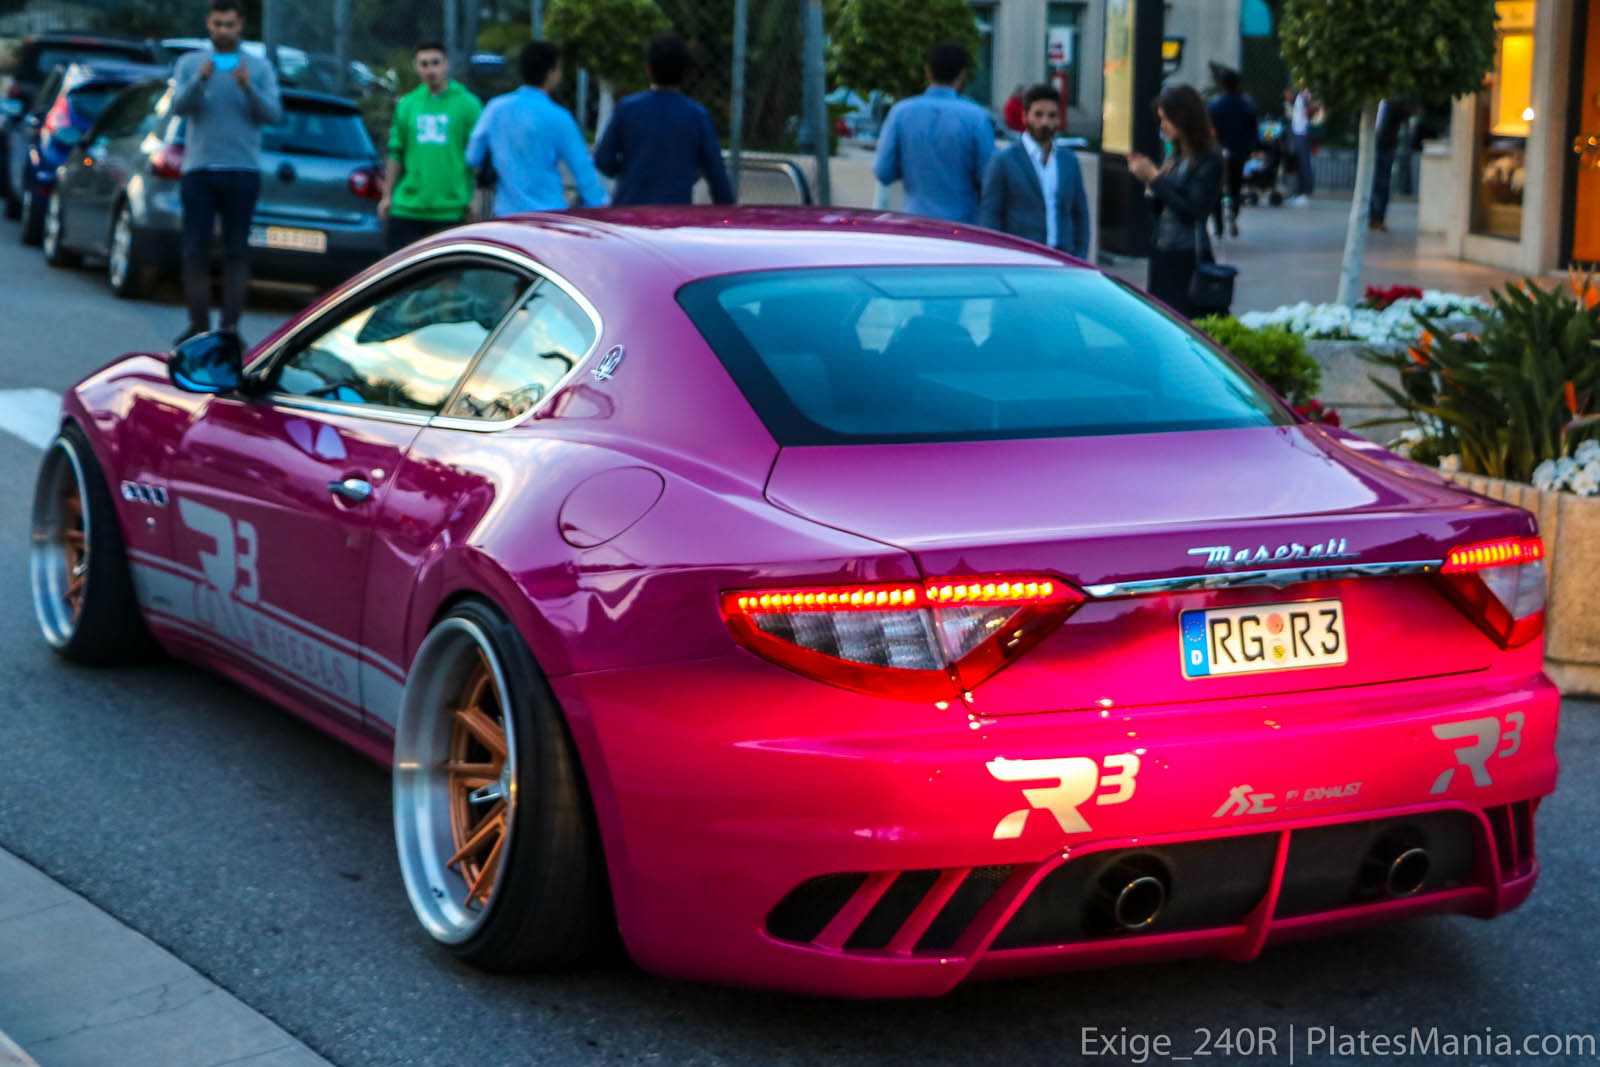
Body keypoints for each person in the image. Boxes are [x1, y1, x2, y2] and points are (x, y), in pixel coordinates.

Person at [169, 0, 281, 345]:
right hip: (200, 170)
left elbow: (273, 115)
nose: (223, 31)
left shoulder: (259, 67)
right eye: (217, 24)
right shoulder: (190, 63)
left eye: (230, 24)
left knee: (237, 251)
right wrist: (199, 81)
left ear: (241, 26)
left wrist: (248, 87)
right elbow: (177, 107)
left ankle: (230, 327)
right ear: (208, 24)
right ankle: (198, 325)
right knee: (195, 250)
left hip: (242, 171)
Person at [466, 40, 605, 216]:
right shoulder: (559, 117)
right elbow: (584, 173)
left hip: (506, 215)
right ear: (551, 73)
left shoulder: (495, 108)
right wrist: (598, 209)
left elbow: (472, 156)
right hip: (549, 215)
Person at [594, 33, 734, 206]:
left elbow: (603, 160)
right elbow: (717, 175)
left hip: (629, 208)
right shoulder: (696, 115)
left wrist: (630, 172)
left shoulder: (627, 108)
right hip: (674, 213)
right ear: (685, 72)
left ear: (648, 68)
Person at [1127, 84, 1224, 318]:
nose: (1163, 126)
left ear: (1183, 118)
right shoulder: (1175, 156)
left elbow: (1193, 210)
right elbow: (1162, 207)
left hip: (1188, 256)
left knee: (1185, 322)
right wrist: (1150, 184)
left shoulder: (1208, 158)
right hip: (1163, 251)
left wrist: (1155, 178)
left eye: (1166, 119)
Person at [872, 40, 995, 224]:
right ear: (962, 74)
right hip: (963, 226)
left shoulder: (901, 112)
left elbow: (883, 172)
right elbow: (989, 177)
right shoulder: (976, 117)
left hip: (914, 222)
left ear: (928, 71)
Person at [380, 42, 482, 252]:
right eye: (424, 64)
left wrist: (476, 197)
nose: (430, 70)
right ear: (417, 67)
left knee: (446, 282)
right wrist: (387, 196)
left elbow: (478, 156)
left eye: (435, 63)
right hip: (407, 208)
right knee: (401, 277)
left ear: (446, 64)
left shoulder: (468, 104)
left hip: (450, 210)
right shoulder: (408, 104)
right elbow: (396, 153)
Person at [978, 85, 1089, 259]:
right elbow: (990, 218)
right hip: (1020, 260)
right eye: (1038, 115)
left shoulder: (1069, 161)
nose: (1045, 122)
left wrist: (1080, 255)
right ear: (1025, 116)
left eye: (1052, 116)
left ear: (1059, 119)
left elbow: (1080, 213)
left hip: (1063, 259)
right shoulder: (1003, 161)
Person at [1206, 70, 1256, 237]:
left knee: (1216, 189)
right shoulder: (1247, 106)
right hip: (1238, 154)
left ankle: (1218, 225)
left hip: (1218, 153)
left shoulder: (1214, 106)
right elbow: (1252, 132)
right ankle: (1233, 214)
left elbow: (1208, 130)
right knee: (1235, 187)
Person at [1368, 97, 1413, 232]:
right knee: (1371, 183)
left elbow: (1405, 115)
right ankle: (1370, 216)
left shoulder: (1394, 104)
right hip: (1371, 147)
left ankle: (1379, 217)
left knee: (1382, 183)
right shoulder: (1372, 102)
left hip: (1386, 148)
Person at [1288, 85, 1321, 206]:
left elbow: (1311, 110)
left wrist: (1310, 105)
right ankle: (1299, 192)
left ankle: (1305, 193)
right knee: (1299, 164)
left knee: (1304, 164)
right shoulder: (1300, 97)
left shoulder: (1306, 96)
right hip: (1298, 133)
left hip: (1303, 133)